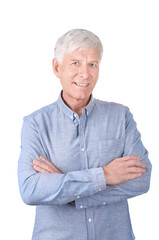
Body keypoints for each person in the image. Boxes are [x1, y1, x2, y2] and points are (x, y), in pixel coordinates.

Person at [18, 29, 152, 240]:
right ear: (56, 67)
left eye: (92, 64)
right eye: (75, 63)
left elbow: (141, 180)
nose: (85, 74)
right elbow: (30, 189)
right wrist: (105, 175)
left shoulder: (121, 116)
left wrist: (67, 192)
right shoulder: (35, 124)